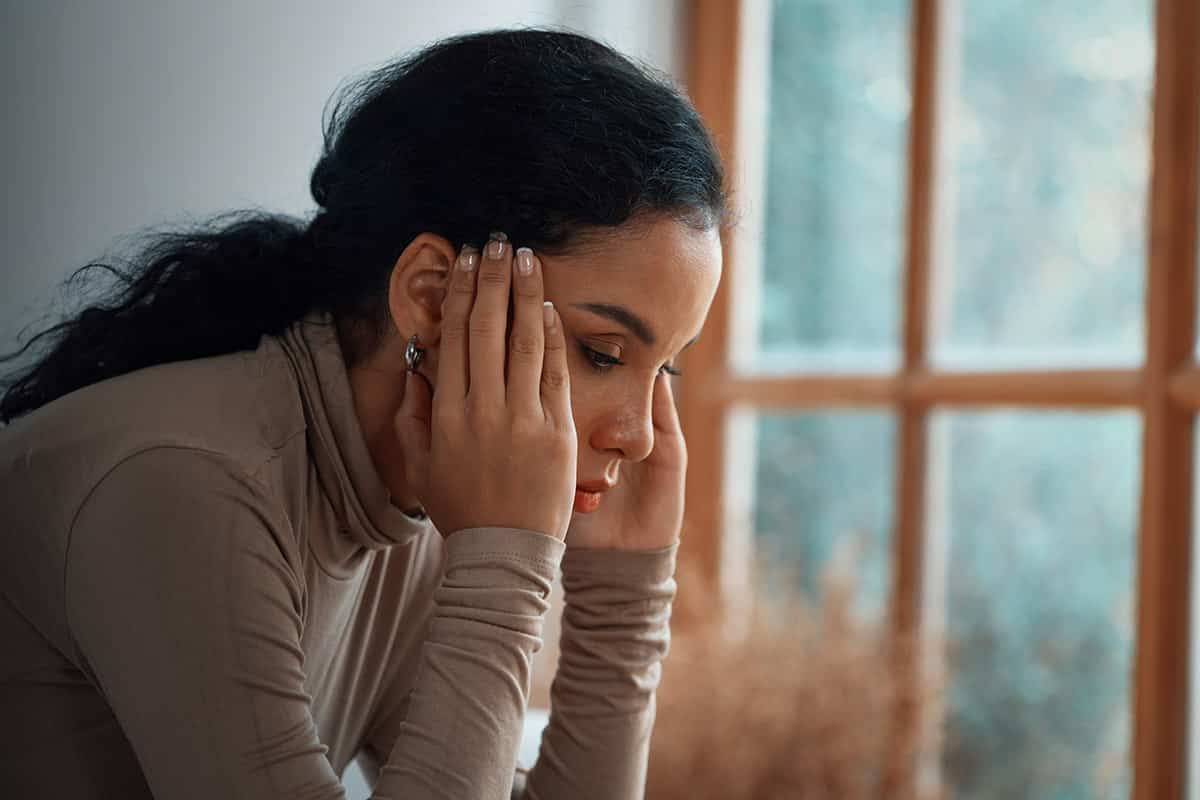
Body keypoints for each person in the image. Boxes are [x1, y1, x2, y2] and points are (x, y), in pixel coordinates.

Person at [0, 27, 725, 799]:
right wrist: (501, 557)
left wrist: (622, 604)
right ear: (430, 295)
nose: (640, 434)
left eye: (667, 367)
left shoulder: (406, 506)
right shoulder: (182, 482)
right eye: (604, 353)